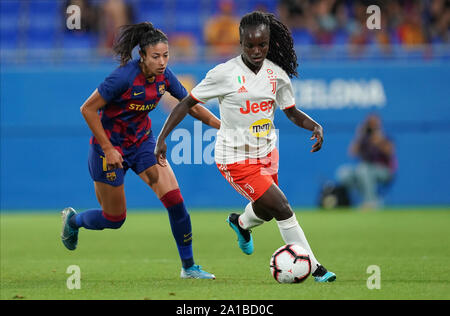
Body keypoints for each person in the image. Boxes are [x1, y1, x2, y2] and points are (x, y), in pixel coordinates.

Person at [155, 11, 336, 282]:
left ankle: (240, 223)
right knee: (283, 208)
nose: (256, 50)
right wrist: (162, 138)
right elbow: (186, 104)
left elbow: (291, 111)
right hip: (235, 158)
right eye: (250, 45)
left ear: (268, 42)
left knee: (265, 210)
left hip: (267, 154)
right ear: (240, 42)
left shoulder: (277, 75)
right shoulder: (224, 74)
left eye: (262, 44)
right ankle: (316, 267)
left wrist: (314, 125)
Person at [60, 22, 220, 280]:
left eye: (166, 55)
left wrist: (220, 125)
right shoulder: (122, 77)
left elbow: (190, 104)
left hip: (143, 143)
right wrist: (108, 148)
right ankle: (73, 221)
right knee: (114, 219)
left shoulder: (164, 77)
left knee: (176, 203)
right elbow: (87, 109)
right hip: (108, 151)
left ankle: (189, 267)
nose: (162, 62)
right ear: (142, 56)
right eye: (156, 56)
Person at [336, 113, 396, 209]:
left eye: (374, 124)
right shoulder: (364, 139)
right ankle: (363, 199)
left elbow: (390, 152)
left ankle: (371, 202)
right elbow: (352, 153)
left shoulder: (385, 138)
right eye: (370, 124)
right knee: (344, 173)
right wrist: (359, 135)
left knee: (364, 169)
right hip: (363, 171)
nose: (372, 127)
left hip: (384, 171)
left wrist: (379, 140)